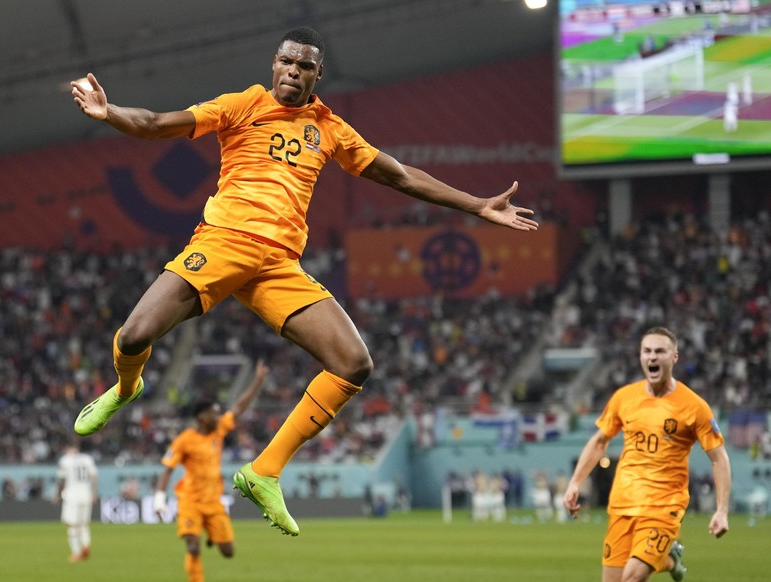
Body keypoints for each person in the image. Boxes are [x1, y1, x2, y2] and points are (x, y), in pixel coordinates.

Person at [70, 26, 537, 536]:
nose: (293, 71)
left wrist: (476, 205)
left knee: (354, 362)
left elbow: (400, 175)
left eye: (305, 66)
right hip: (222, 243)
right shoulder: (243, 104)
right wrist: (110, 113)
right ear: (274, 64)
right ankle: (125, 387)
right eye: (287, 62)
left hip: (278, 266)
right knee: (134, 336)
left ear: (318, 74)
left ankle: (264, 472)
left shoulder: (330, 129)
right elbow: (159, 123)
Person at [563, 327, 731, 582]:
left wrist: (721, 510)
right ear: (640, 356)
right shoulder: (624, 398)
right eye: (647, 351)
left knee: (631, 577)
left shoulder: (694, 407)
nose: (652, 357)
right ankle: (670, 558)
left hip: (663, 507)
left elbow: (719, 458)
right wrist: (575, 482)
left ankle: (667, 556)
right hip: (622, 504)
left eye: (660, 351)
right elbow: (599, 441)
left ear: (674, 357)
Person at [153, 360, 269, 582]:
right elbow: (167, 469)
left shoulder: (218, 432)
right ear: (201, 417)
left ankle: (210, 533)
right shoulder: (185, 440)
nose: (219, 416)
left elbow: (238, 408)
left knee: (228, 552)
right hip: (190, 501)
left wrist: (258, 381)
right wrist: (159, 499)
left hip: (214, 502)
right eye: (214, 413)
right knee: (193, 547)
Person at [55, 443, 99, 563]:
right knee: (84, 524)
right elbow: (94, 476)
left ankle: (76, 553)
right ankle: (86, 544)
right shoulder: (87, 459)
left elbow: (62, 480)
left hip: (72, 497)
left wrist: (57, 495)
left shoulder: (65, 460)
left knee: (72, 526)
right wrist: (94, 493)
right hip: (86, 495)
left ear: (68, 449)